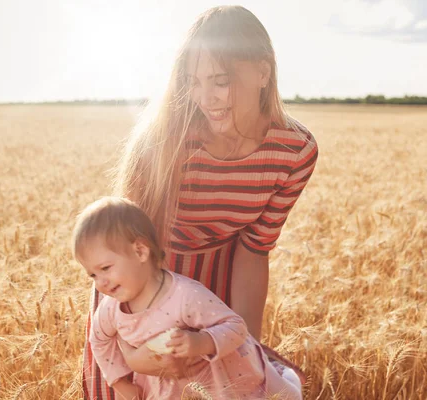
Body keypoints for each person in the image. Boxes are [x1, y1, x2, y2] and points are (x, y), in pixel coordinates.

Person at [82, 5, 318, 399]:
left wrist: (242, 347)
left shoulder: (294, 151)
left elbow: (253, 251)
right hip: (140, 287)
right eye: (193, 82)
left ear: (263, 72)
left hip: (216, 292)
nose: (205, 98)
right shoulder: (164, 144)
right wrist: (137, 353)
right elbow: (130, 255)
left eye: (220, 81)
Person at [73, 197, 303, 399]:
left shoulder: (185, 296)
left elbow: (236, 328)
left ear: (140, 252)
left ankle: (284, 378)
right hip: (166, 387)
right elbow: (99, 340)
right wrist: (120, 382)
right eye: (92, 274)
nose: (100, 282)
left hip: (219, 381)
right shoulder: (111, 308)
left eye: (105, 268)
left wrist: (200, 342)